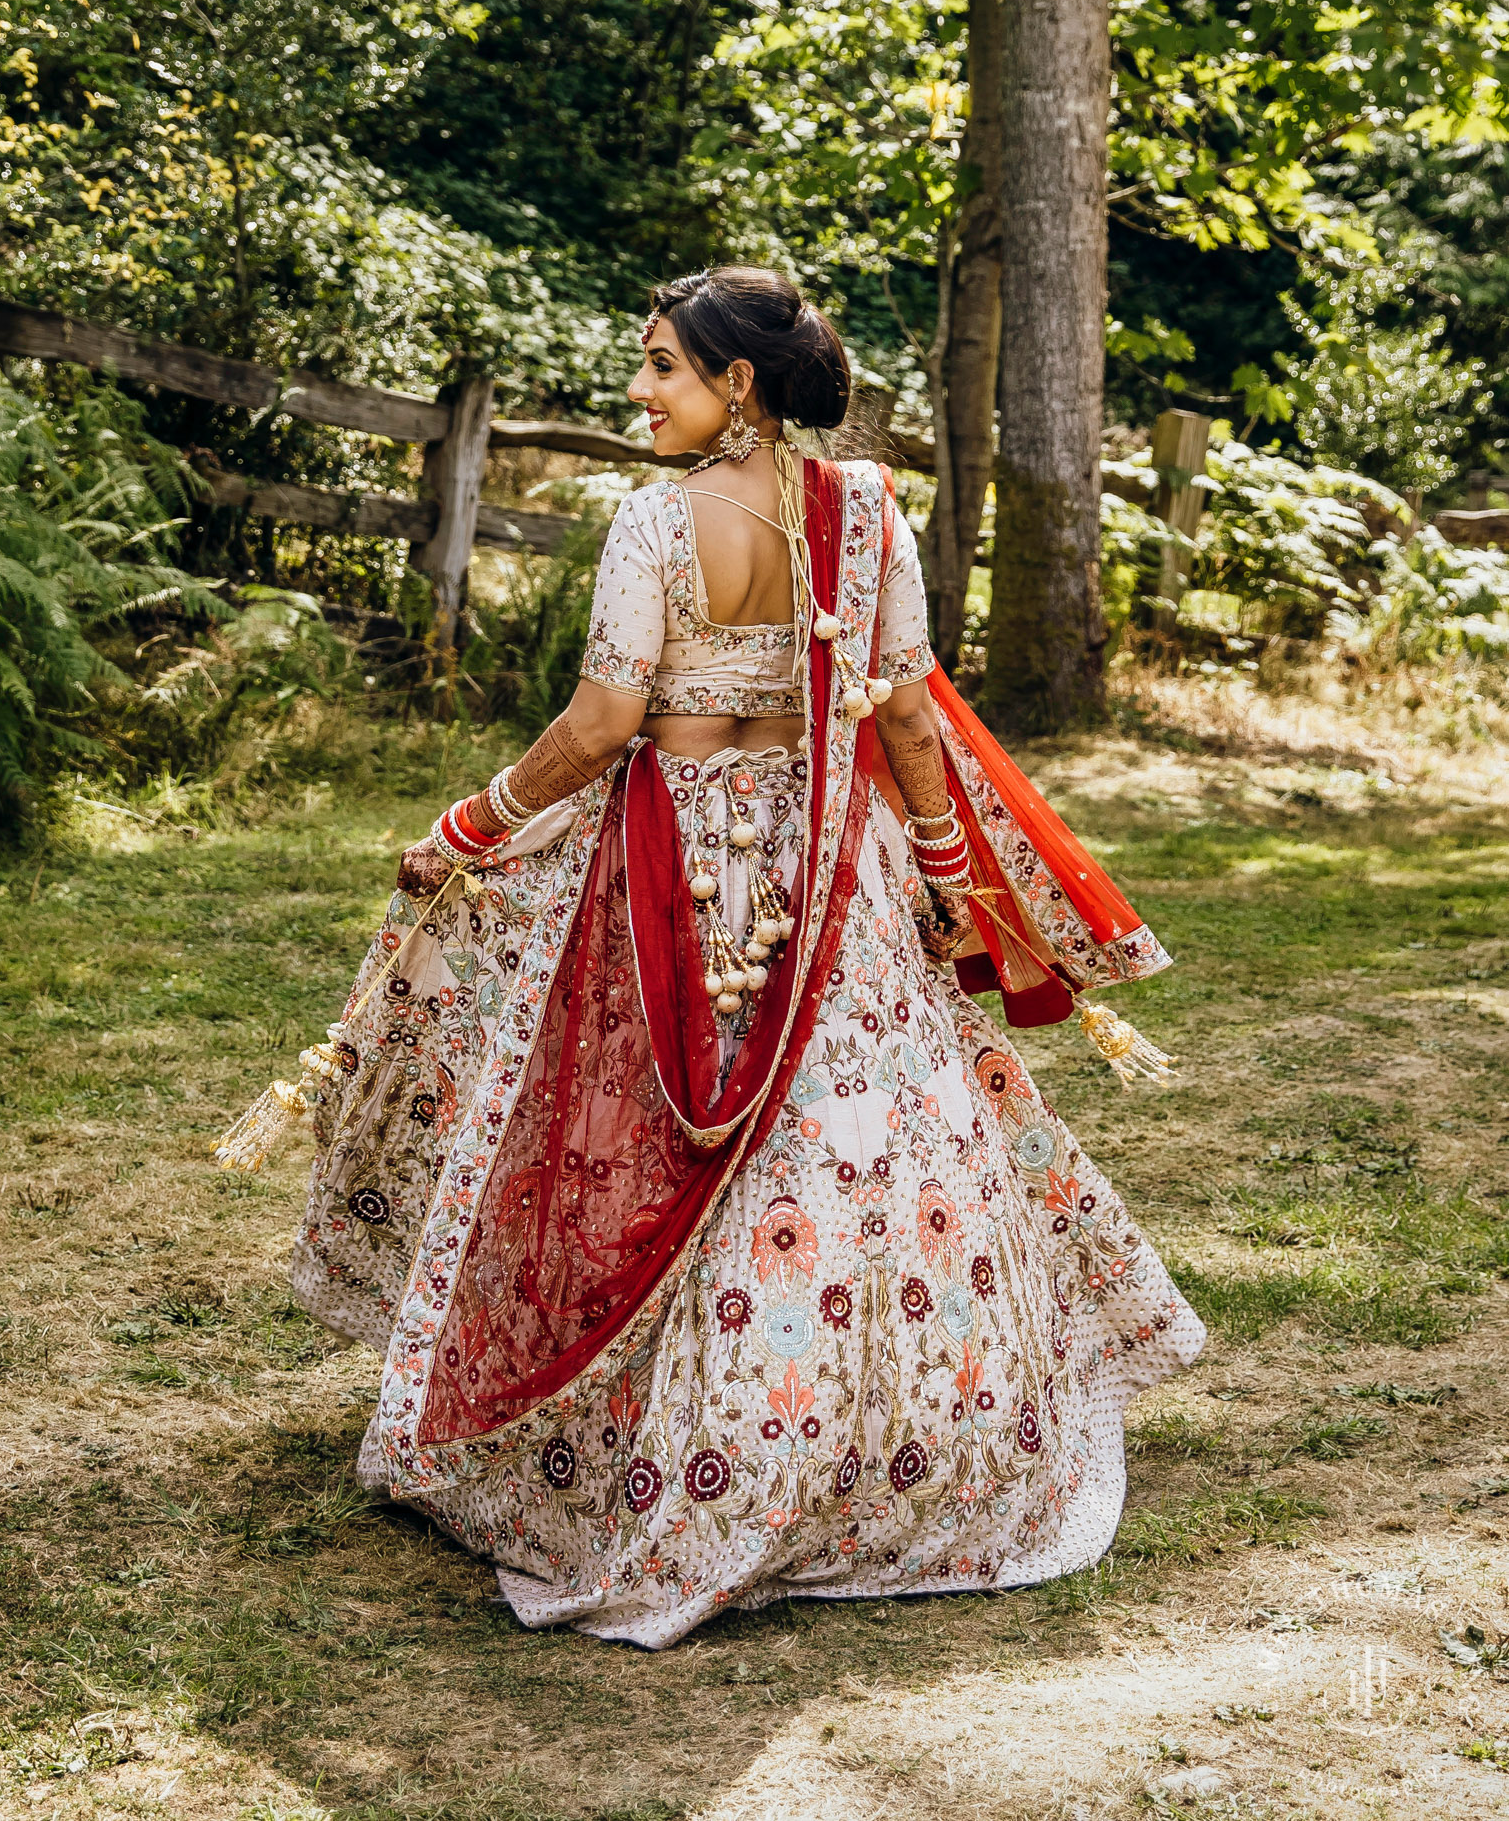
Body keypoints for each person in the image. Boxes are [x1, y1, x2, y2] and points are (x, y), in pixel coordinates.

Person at [269, 265, 1204, 1649]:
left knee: (675, 1147)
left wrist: (472, 824)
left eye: (661, 367)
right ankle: (896, 1445)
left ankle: (693, 1462)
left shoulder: (656, 524)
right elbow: (900, 721)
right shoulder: (872, 511)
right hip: (835, 870)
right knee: (866, 1142)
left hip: (686, 879)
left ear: (738, 384)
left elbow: (602, 725)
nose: (639, 392)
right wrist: (944, 874)